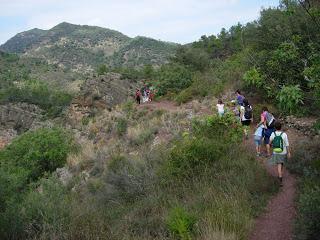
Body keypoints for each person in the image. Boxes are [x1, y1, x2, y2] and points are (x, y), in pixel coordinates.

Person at [269, 121, 291, 186]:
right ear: (281, 127)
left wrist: (271, 145)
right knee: (281, 164)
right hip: (283, 152)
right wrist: (288, 152)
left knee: (279, 164)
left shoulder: (273, 134)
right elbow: (287, 144)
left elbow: (270, 142)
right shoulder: (284, 134)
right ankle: (280, 176)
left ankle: (280, 176)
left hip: (276, 152)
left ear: (275, 127)